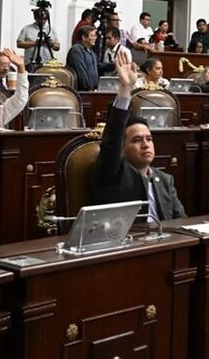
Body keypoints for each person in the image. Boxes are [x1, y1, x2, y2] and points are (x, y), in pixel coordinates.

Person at [91, 48, 186, 218]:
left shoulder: (165, 180)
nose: (145, 144)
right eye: (136, 140)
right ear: (123, 148)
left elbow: (180, 221)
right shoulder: (113, 172)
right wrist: (125, 90)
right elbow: (111, 141)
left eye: (149, 139)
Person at [67, 25, 101, 91]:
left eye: (95, 36)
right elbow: (81, 72)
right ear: (84, 37)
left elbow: (98, 66)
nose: (95, 38)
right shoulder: (76, 50)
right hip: (82, 91)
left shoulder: (91, 52)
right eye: (92, 36)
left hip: (93, 90)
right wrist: (89, 88)